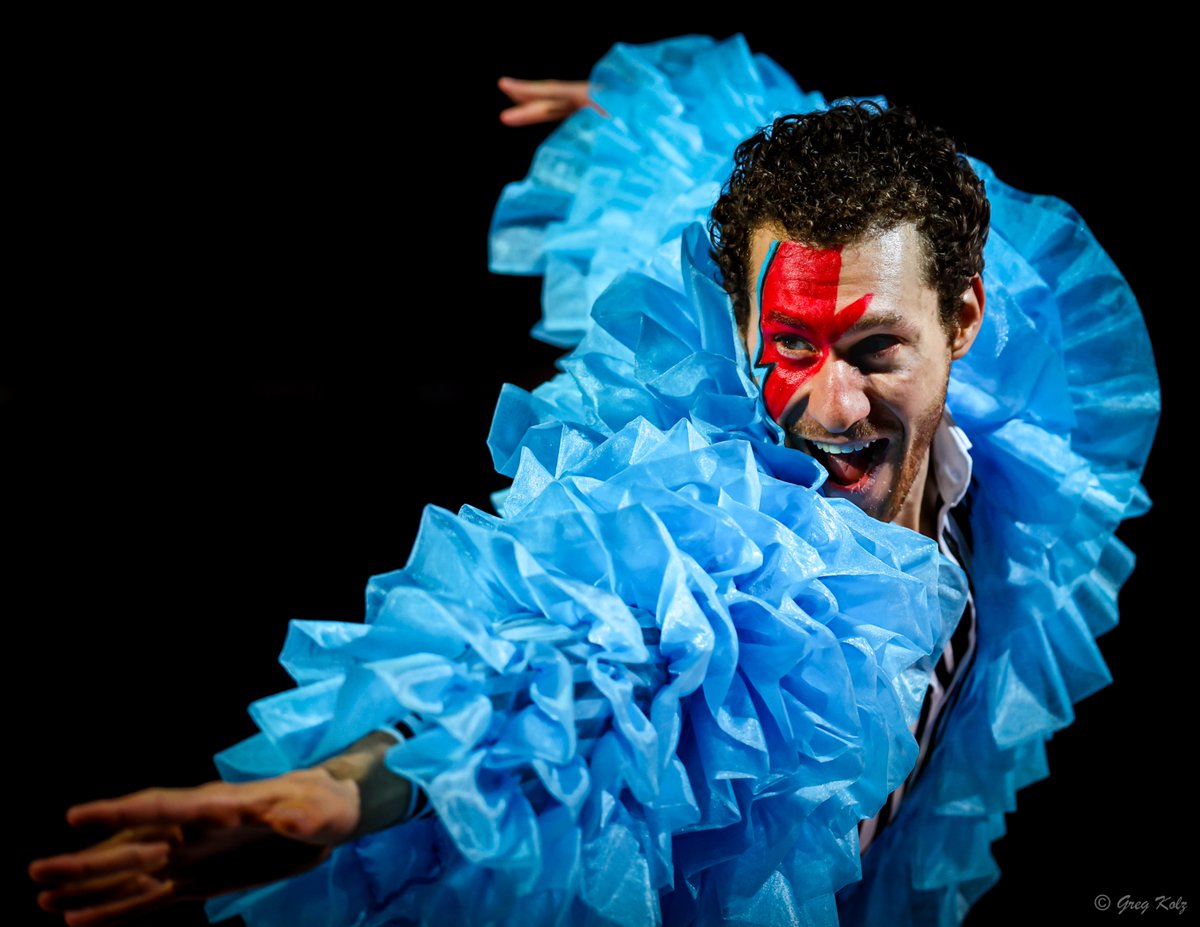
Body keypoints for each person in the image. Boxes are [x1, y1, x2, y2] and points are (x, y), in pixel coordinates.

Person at [29, 35, 1158, 927]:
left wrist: (655, 123)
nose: (829, 409)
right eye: (790, 346)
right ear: (738, 323)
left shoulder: (1030, 424)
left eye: (875, 353)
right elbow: (565, 659)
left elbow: (805, 182)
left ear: (966, 320)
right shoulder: (720, 537)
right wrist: (357, 785)